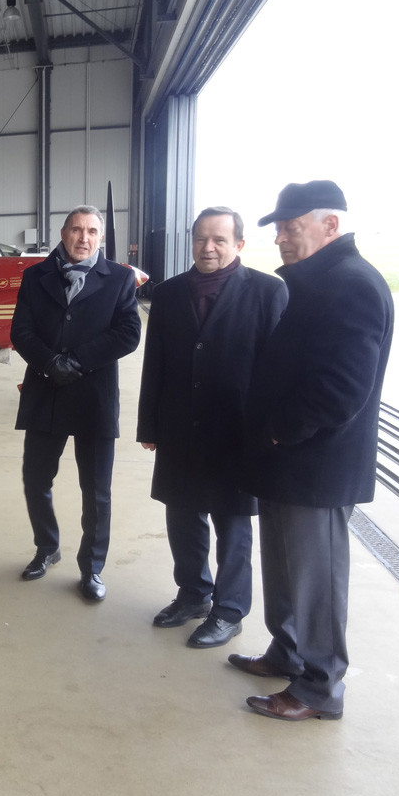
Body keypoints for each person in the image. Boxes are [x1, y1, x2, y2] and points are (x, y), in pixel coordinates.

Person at [230, 180, 393, 721]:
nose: (280, 238)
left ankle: (320, 687)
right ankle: (288, 652)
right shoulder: (318, 282)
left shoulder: (351, 285)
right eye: (278, 229)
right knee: (284, 569)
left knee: (316, 581)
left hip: (315, 466)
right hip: (288, 461)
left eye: (291, 227)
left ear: (331, 225)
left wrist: (281, 430)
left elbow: (342, 388)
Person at [137, 207, 288, 647]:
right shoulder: (168, 294)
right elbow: (155, 363)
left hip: (237, 431)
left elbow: (278, 369)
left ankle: (229, 610)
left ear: (239, 244)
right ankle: (193, 594)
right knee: (182, 514)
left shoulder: (267, 291)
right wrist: (150, 424)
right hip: (179, 425)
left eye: (219, 240)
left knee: (233, 522)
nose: (208, 248)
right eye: (201, 239)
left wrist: (270, 430)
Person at [11, 205, 141, 601]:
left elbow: (129, 333)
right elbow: (21, 331)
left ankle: (92, 568)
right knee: (36, 478)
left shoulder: (119, 278)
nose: (83, 238)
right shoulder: (35, 277)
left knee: (96, 491)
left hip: (93, 396)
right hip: (45, 391)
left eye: (92, 231)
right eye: (76, 229)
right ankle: (47, 547)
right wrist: (50, 362)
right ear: (63, 233)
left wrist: (80, 361)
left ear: (100, 237)